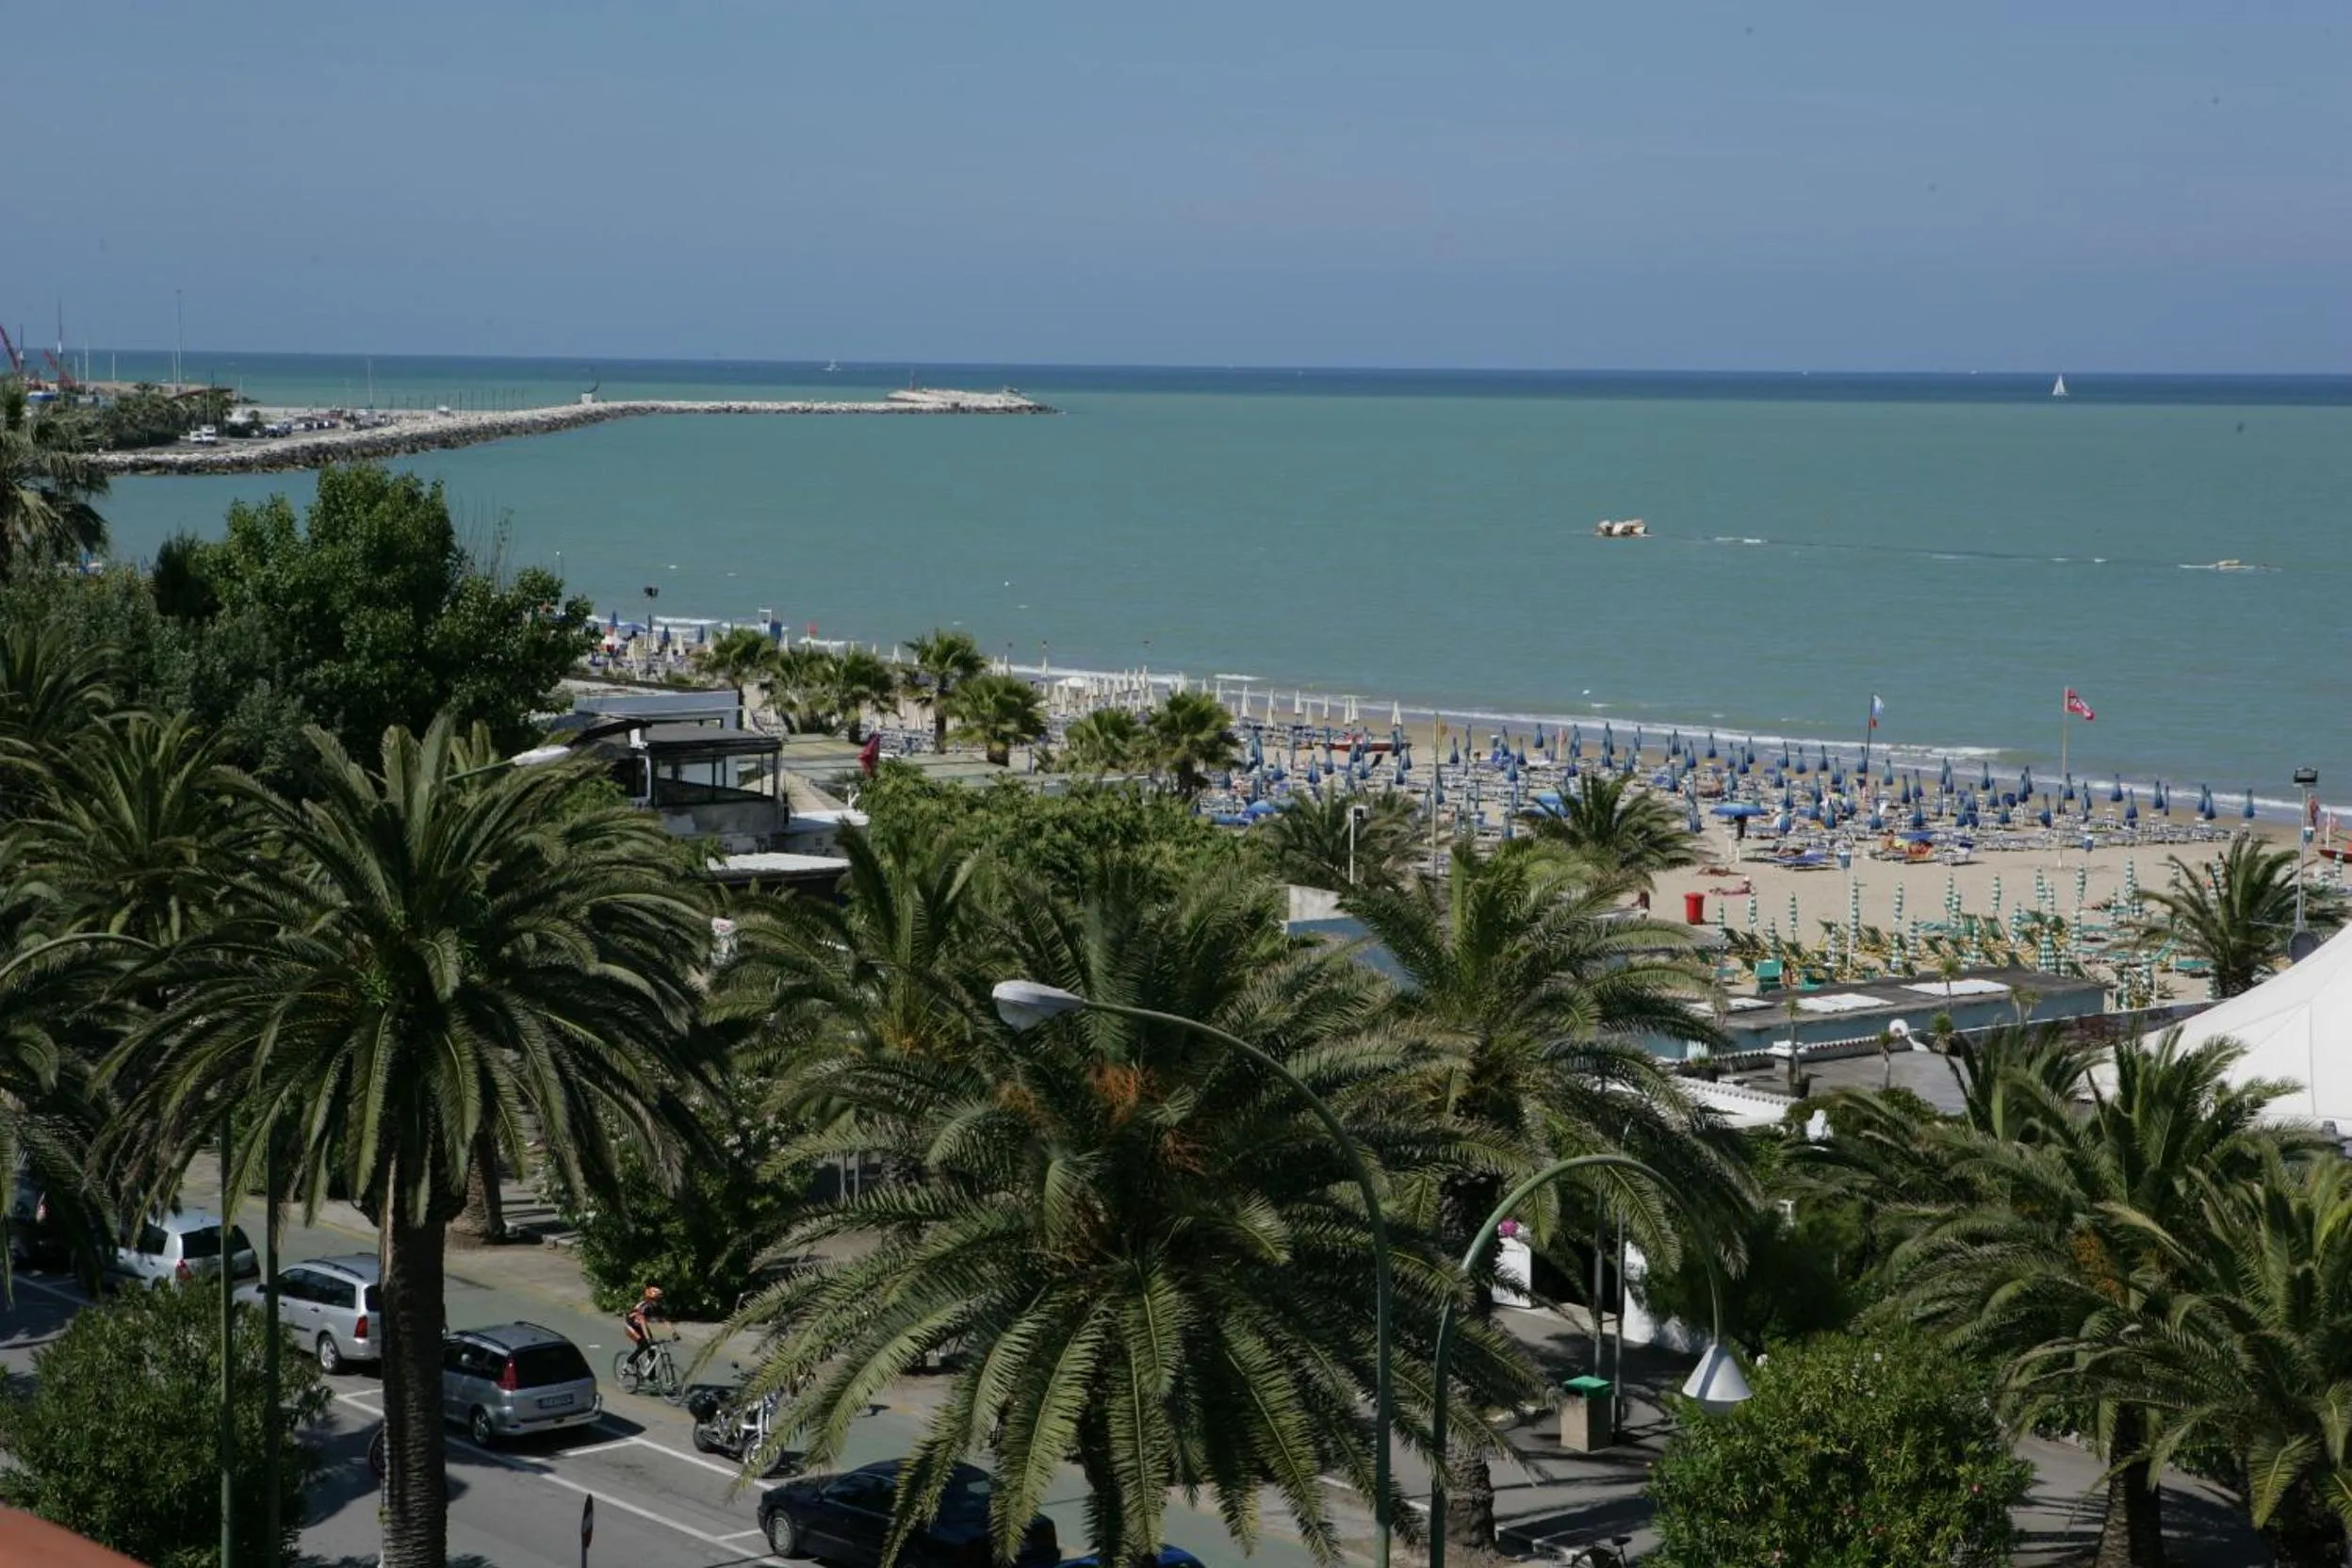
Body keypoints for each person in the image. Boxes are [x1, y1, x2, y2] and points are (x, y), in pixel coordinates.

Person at [622, 1284, 664, 1377]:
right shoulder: (644, 1307)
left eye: (659, 1299)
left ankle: (651, 1375)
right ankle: (629, 1363)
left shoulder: (656, 1307)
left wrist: (674, 1333)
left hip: (641, 1326)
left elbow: (665, 1320)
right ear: (650, 1299)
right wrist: (648, 1338)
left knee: (652, 1348)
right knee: (644, 1344)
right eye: (656, 1300)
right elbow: (643, 1323)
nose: (658, 1302)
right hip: (631, 1326)